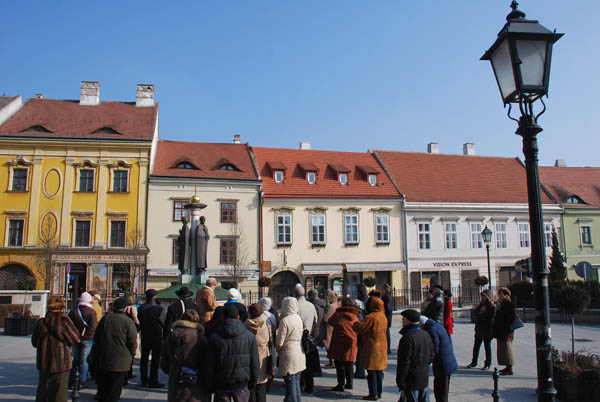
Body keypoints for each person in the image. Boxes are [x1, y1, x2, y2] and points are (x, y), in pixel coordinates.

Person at [206, 303, 259, 402]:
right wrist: (253, 382)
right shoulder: (249, 336)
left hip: (221, 383)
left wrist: (210, 384)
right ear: (238, 317)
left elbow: (210, 364)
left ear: (222, 317)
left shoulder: (214, 336)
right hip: (241, 382)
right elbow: (254, 362)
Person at [32, 296, 81, 402]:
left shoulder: (41, 322)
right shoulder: (64, 321)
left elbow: (34, 342)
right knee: (59, 391)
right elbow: (75, 339)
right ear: (62, 307)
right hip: (61, 361)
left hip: (44, 361)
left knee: (43, 390)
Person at [92, 297, 138, 402]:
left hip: (105, 357)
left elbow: (97, 337)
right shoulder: (128, 322)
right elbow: (132, 341)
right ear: (125, 308)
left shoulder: (106, 319)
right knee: (115, 388)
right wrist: (132, 352)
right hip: (121, 359)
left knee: (104, 385)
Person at [161, 310, 209, 402]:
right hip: (195, 384)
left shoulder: (170, 337)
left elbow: (164, 363)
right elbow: (205, 363)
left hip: (175, 382)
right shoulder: (200, 338)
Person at [396, 309, 434, 402]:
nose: (402, 322)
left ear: (407, 321)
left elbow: (404, 362)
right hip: (423, 376)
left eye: (403, 319)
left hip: (411, 379)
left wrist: (400, 380)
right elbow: (432, 355)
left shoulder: (407, 338)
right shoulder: (425, 334)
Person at [420, 316, 458, 402]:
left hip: (443, 364)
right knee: (442, 388)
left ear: (422, 325)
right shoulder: (435, 325)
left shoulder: (431, 329)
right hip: (447, 361)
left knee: (441, 391)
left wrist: (427, 361)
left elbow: (435, 349)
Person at [357, 295, 388, 400]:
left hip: (372, 346)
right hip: (382, 346)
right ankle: (379, 392)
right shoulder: (383, 316)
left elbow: (361, 329)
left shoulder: (371, 317)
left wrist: (355, 325)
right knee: (379, 371)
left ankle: (373, 393)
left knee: (371, 372)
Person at [275, 297, 305, 402]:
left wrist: (277, 349)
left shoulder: (285, 321)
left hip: (288, 353)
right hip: (299, 351)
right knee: (296, 381)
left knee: (290, 382)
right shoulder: (298, 318)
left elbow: (280, 341)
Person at [327, 297, 359, 392]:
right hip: (351, 341)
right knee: (349, 363)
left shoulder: (338, 314)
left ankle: (341, 384)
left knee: (339, 363)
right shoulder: (354, 316)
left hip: (338, 341)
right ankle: (349, 383)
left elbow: (330, 321)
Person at [68, 291, 98, 389]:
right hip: (87, 339)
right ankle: (82, 380)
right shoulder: (91, 312)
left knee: (75, 359)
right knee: (84, 360)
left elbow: (69, 325)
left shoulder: (73, 311)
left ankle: (71, 379)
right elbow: (94, 327)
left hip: (75, 338)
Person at [138, 288, 167, 388]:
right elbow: (164, 323)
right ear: (155, 297)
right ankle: (153, 380)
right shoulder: (159, 309)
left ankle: (143, 379)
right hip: (156, 336)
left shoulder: (141, 308)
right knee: (155, 359)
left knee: (144, 358)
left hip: (145, 335)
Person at [294, 284, 318, 394]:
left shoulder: (295, 306)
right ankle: (310, 385)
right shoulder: (311, 305)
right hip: (308, 337)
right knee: (308, 363)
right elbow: (315, 320)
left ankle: (301, 382)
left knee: (298, 362)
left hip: (297, 337)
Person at [245, 304, 272, 402]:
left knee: (251, 389)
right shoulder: (265, 325)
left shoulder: (246, 326)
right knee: (261, 388)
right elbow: (270, 341)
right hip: (263, 356)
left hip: (249, 358)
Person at [467, 289, 495, 370]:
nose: (482, 298)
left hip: (487, 329)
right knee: (476, 346)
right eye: (482, 296)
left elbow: (489, 317)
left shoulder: (491, 306)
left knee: (487, 347)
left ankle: (487, 363)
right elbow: (476, 313)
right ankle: (474, 362)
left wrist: (479, 315)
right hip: (479, 328)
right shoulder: (481, 305)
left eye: (483, 296)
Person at [493, 287, 516, 376]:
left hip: (506, 331)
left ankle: (509, 367)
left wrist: (505, 326)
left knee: (507, 349)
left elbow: (511, 317)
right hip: (501, 330)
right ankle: (507, 366)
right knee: (503, 349)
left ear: (506, 295)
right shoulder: (502, 303)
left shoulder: (508, 304)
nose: (499, 295)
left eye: (501, 294)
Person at [123, 294, 140, 380]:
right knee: (132, 348)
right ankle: (129, 371)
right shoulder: (132, 308)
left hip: (124, 330)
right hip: (132, 328)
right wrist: (139, 325)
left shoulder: (124, 308)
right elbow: (135, 317)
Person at [323, 290, 338, 369]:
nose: (328, 299)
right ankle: (332, 361)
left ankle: (331, 361)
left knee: (328, 344)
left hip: (329, 328)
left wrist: (324, 316)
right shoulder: (337, 305)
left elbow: (326, 318)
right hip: (334, 327)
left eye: (329, 297)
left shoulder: (331, 306)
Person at [380, 284, 394, 354]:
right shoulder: (385, 297)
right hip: (386, 318)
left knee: (386, 334)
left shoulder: (387, 297)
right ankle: (386, 348)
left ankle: (388, 349)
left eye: (382, 289)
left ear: (385, 290)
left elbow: (388, 309)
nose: (381, 291)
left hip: (386, 318)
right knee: (385, 333)